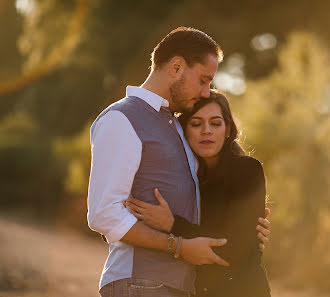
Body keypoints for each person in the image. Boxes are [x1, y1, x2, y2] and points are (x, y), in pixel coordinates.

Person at [87, 27, 270, 297]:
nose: (207, 92)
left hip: (181, 287)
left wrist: (248, 230)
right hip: (140, 283)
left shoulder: (175, 126)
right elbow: (105, 214)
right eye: (203, 80)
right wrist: (178, 246)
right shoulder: (122, 119)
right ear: (176, 67)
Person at [125, 90, 271, 297]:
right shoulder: (180, 180)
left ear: (228, 129)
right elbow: (128, 223)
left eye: (215, 123)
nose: (206, 131)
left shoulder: (247, 170)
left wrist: (172, 225)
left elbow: (235, 250)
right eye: (196, 124)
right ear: (184, 131)